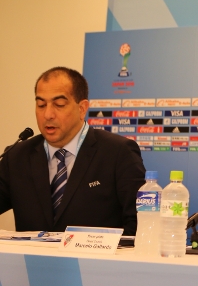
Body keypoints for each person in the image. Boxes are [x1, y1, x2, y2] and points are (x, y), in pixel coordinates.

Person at [0, 67, 145, 235]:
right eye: (41, 105)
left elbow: (139, 223)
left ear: (82, 108)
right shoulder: (16, 157)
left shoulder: (118, 152)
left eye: (59, 105)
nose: (47, 114)